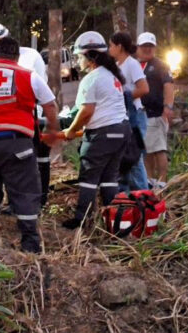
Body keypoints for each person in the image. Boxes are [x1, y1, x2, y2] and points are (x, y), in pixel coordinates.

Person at [0, 35, 60, 254]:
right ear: (16, 56)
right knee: (25, 191)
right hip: (16, 145)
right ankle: (30, 242)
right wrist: (52, 130)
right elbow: (50, 105)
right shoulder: (28, 75)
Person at [50, 31, 129, 230]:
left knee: (88, 179)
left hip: (102, 134)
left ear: (90, 56)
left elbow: (86, 111)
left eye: (79, 56)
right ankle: (115, 222)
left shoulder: (92, 79)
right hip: (121, 131)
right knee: (110, 179)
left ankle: (82, 220)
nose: (78, 61)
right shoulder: (112, 76)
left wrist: (70, 130)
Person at [0, 22, 52, 205]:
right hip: (11, 124)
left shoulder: (28, 58)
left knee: (34, 163)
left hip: (30, 119)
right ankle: (18, 203)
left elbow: (41, 94)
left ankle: (36, 202)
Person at [109, 31, 149, 191]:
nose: (109, 49)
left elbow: (144, 88)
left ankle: (143, 191)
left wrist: (123, 97)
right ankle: (126, 193)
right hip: (123, 115)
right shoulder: (117, 65)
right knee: (124, 156)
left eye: (111, 45)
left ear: (119, 47)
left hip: (135, 115)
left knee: (134, 156)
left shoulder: (132, 64)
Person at [136, 32, 175, 189]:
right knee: (147, 149)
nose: (147, 49)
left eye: (150, 46)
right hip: (141, 114)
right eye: (144, 46)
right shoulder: (137, 65)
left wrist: (168, 106)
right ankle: (149, 179)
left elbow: (169, 85)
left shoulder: (160, 65)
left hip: (156, 112)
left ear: (155, 48)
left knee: (158, 148)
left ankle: (162, 180)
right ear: (138, 47)